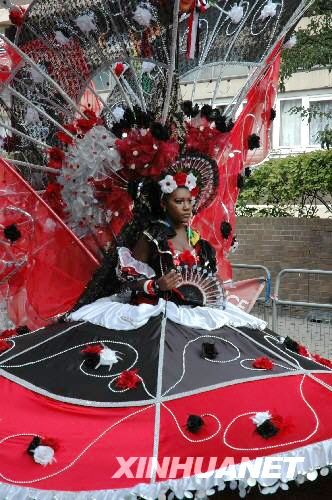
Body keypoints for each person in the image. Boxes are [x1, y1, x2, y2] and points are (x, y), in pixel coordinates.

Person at [1, 159, 332, 500]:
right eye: (179, 201)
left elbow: (210, 283)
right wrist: (156, 285)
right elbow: (127, 278)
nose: (187, 207)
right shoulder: (152, 237)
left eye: (191, 201)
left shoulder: (199, 242)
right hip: (152, 316)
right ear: (165, 203)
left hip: (199, 319)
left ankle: (222, 450)